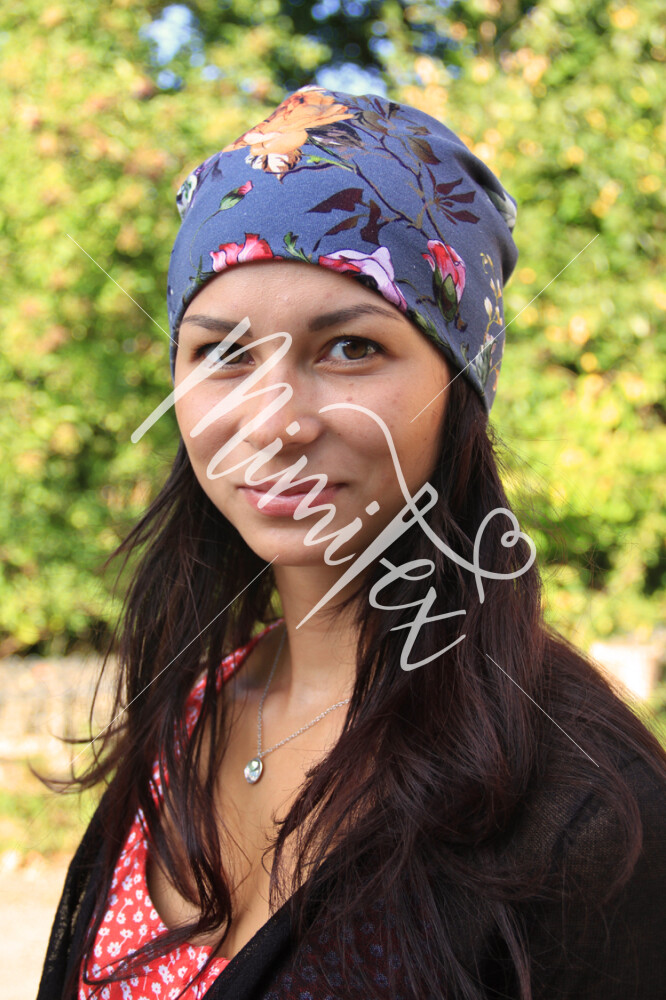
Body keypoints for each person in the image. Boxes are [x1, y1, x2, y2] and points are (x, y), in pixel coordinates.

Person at [37, 87, 666, 1000]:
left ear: (459, 389)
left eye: (350, 349)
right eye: (223, 354)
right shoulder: (183, 714)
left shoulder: (587, 811)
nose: (273, 423)